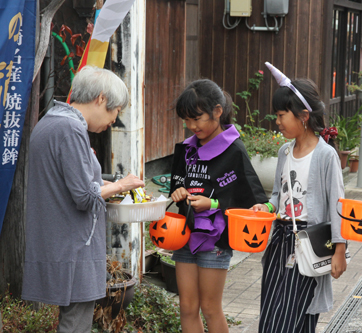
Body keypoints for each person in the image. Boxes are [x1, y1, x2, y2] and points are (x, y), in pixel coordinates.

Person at [22, 66, 145, 333]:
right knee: (75, 325)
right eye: (115, 111)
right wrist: (122, 184)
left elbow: (72, 182)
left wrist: (109, 186)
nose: (114, 120)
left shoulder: (51, 120)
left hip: (57, 240)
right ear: (101, 99)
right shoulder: (71, 129)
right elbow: (84, 196)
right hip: (75, 246)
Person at [252, 62, 347, 333]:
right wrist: (266, 207)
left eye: (282, 115)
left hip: (309, 245)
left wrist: (339, 250)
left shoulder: (325, 155)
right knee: (271, 313)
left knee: (296, 315)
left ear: (303, 116)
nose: (278, 122)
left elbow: (337, 205)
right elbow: (276, 195)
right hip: (280, 242)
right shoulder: (284, 152)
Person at [169, 79, 268, 333]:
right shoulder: (186, 150)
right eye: (186, 120)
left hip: (216, 242)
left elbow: (253, 202)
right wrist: (178, 192)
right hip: (185, 236)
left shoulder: (234, 150)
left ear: (217, 111)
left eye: (197, 118)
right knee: (187, 307)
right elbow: (176, 186)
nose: (191, 126)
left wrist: (212, 203)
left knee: (210, 308)